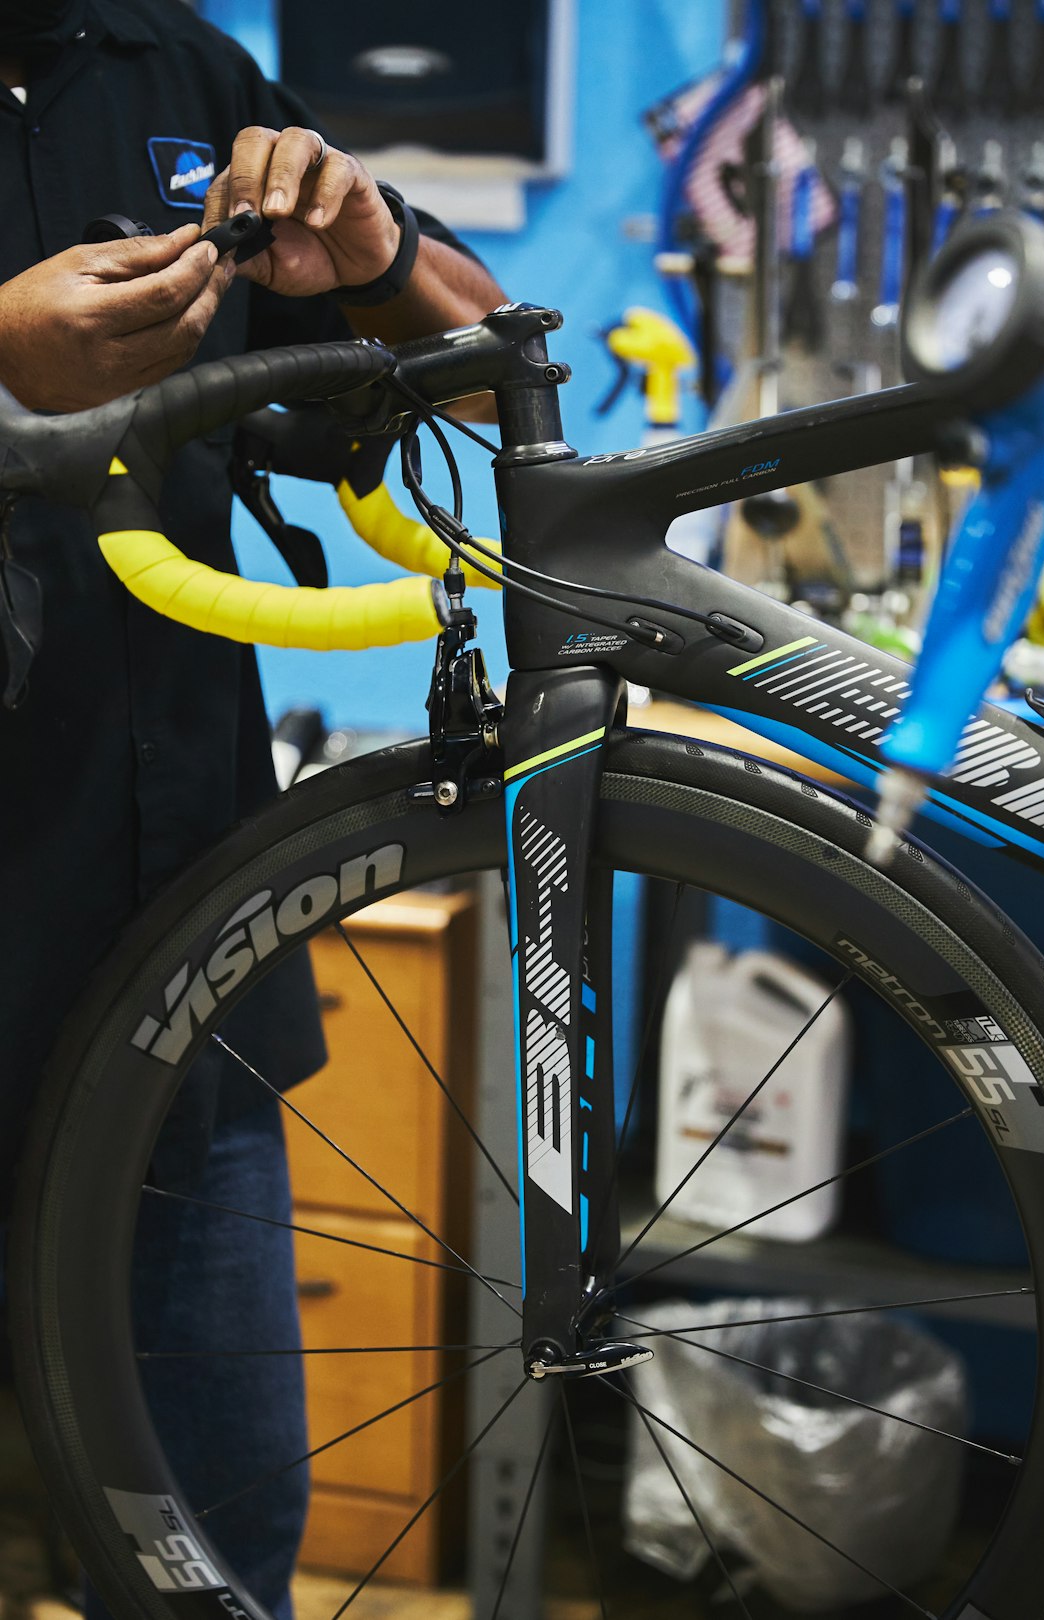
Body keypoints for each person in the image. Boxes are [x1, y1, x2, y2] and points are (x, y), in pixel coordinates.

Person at [0, 2, 507, 1614]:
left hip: (184, 987)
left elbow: (489, 356)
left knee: (219, 1560)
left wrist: (368, 249)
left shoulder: (184, 69)